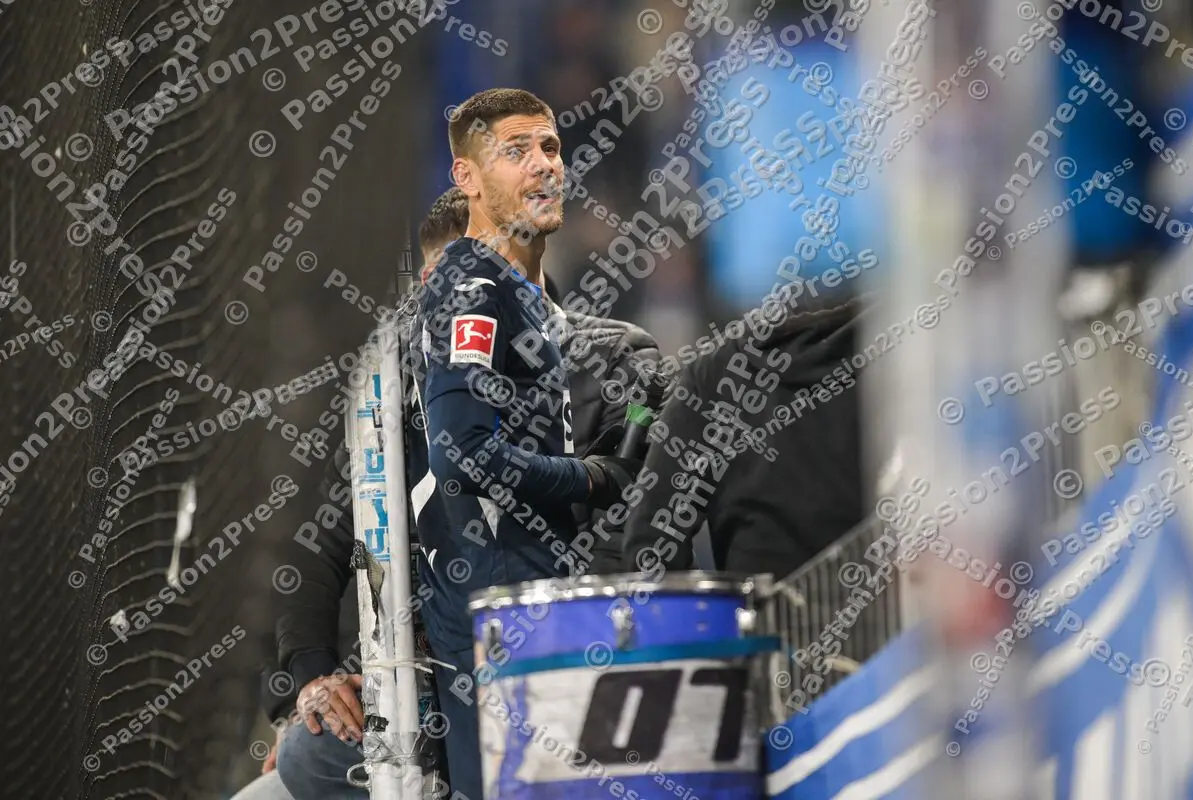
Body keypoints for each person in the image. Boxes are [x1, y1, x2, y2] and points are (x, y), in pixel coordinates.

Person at [267, 174, 655, 799]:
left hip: (566, 658)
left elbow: (637, 520)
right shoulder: (389, 391)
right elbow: (318, 548)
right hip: (434, 684)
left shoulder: (615, 357)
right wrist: (313, 680)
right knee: (307, 756)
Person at [413, 88, 646, 796]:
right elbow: (461, 453)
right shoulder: (471, 280)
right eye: (515, 152)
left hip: (525, 607)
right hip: (500, 617)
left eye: (550, 147)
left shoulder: (520, 293)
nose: (544, 165)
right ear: (467, 177)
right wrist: (591, 479)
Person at [621, 288, 872, 580]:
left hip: (760, 605)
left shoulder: (715, 373)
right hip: (896, 603)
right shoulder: (904, 360)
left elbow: (648, 551)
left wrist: (714, 606)